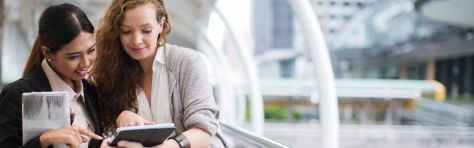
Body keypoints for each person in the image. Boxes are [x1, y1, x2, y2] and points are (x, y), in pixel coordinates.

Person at [89, 0, 228, 147]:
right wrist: (122, 116)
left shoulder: (187, 63)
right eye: (126, 31)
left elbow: (204, 132)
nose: (136, 40)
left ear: (161, 24)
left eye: (146, 30)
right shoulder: (112, 75)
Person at [0, 3, 103, 148]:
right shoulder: (18, 94)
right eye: (73, 56)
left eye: (91, 50)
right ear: (48, 53)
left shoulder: (89, 91)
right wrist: (44, 140)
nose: (86, 63)